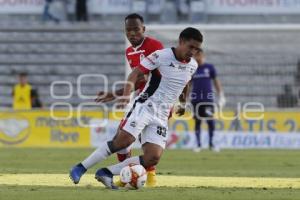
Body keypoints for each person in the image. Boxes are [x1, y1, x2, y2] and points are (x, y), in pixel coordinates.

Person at [70, 27, 202, 189]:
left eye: (197, 48)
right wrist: (125, 96)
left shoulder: (193, 65)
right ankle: (80, 167)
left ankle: (106, 172)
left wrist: (182, 103)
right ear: (181, 41)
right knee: (124, 141)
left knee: (153, 157)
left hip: (161, 115)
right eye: (191, 47)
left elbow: (185, 83)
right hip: (145, 106)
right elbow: (135, 74)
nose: (193, 51)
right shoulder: (161, 55)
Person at [70, 13, 164, 187]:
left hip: (159, 104)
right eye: (128, 30)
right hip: (143, 101)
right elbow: (141, 80)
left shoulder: (155, 46)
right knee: (123, 140)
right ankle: (122, 175)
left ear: (143, 29)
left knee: (145, 148)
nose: (132, 33)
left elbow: (156, 77)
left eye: (136, 29)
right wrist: (117, 94)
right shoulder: (129, 51)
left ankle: (133, 175)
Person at [190, 49, 225, 152]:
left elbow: (216, 81)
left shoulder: (209, 68)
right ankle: (198, 145)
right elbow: (189, 84)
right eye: (195, 56)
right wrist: (185, 99)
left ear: (202, 55)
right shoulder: (192, 69)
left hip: (208, 100)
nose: (197, 57)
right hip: (195, 100)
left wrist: (221, 95)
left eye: (199, 55)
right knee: (197, 122)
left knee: (210, 121)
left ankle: (212, 144)